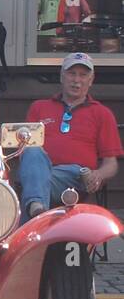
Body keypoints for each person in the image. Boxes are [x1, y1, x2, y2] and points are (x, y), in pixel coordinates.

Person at [19, 52, 121, 218]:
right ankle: (38, 208)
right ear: (62, 76)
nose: (76, 80)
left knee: (35, 183)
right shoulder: (39, 107)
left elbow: (111, 164)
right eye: (71, 73)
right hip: (42, 170)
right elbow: (23, 151)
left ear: (91, 79)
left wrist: (97, 175)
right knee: (32, 150)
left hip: (76, 177)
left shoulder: (102, 113)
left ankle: (34, 213)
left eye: (83, 75)